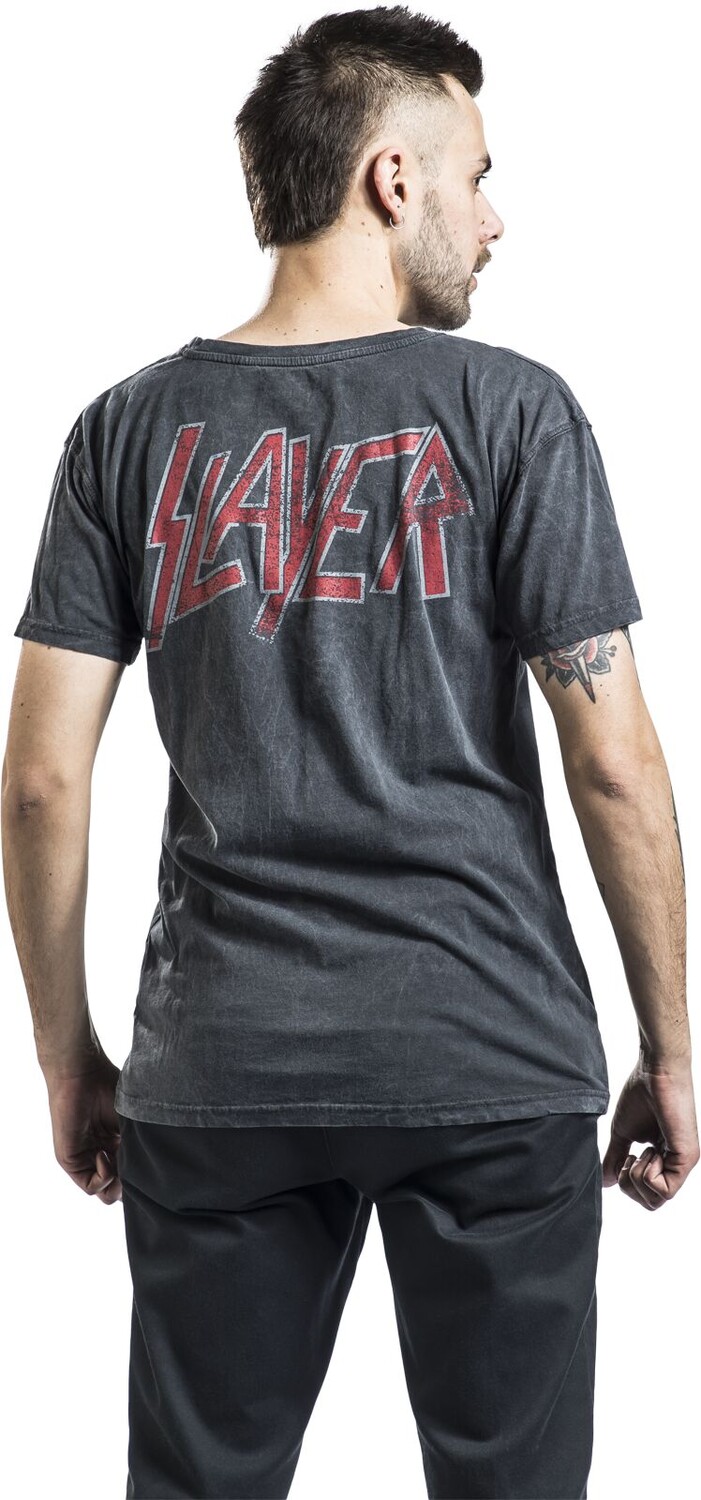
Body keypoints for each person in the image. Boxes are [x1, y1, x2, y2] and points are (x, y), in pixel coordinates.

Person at [2, 5, 697, 1498]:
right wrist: (671, 1049)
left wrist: (66, 1060)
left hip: (223, 1064)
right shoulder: (513, 413)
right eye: (479, 175)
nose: (494, 220)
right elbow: (615, 763)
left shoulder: (122, 432)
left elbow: (41, 780)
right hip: (488, 1054)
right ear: (393, 179)